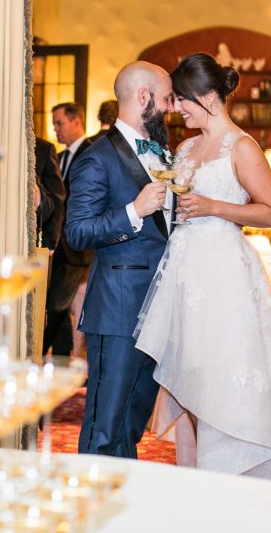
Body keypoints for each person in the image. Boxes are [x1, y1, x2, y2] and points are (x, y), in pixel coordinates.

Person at [133, 52, 271, 494]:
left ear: (209, 97)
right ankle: (203, 481)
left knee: (225, 374)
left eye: (182, 100)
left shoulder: (242, 146)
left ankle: (245, 480)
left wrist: (216, 207)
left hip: (223, 277)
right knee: (191, 376)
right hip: (184, 274)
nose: (176, 109)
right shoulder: (183, 148)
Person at [65, 61, 175, 457]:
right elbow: (76, 232)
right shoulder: (97, 157)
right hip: (117, 309)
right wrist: (134, 210)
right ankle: (89, 513)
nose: (173, 108)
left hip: (158, 309)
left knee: (132, 422)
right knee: (104, 425)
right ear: (143, 98)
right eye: (166, 99)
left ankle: (124, 506)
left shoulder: (165, 154)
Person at [43, 103, 93, 357]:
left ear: (76, 122)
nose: (55, 130)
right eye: (53, 124)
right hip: (57, 245)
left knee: (56, 306)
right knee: (58, 310)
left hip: (78, 248)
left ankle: (37, 353)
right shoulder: (59, 157)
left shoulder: (92, 153)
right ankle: (62, 359)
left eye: (59, 123)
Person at [34, 136, 66, 252]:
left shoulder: (44, 149)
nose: (54, 128)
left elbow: (57, 197)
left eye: (59, 123)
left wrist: (50, 242)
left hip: (38, 238)